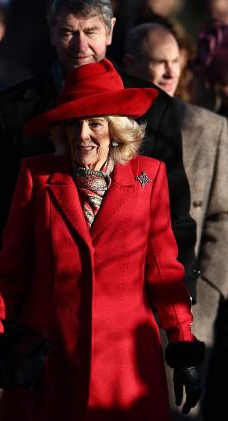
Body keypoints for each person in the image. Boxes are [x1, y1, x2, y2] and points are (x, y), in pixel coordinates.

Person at [0, 58, 204, 421]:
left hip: (125, 367)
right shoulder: (37, 176)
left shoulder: (149, 178)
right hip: (50, 360)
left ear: (115, 129)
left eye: (95, 123)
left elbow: (164, 274)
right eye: (74, 124)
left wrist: (183, 346)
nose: (83, 136)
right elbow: (10, 268)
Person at [0, 0, 197, 302]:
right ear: (52, 33)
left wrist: (180, 295)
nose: (80, 45)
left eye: (91, 31)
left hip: (132, 301)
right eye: (69, 32)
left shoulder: (155, 108)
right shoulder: (13, 111)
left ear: (109, 32)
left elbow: (175, 214)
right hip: (41, 301)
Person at [125, 22, 228, 421]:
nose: (170, 72)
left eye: (175, 63)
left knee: (181, 410)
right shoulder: (111, 127)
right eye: (158, 63)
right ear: (132, 64)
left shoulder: (211, 128)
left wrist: (208, 288)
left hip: (191, 300)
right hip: (126, 301)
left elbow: (222, 215)